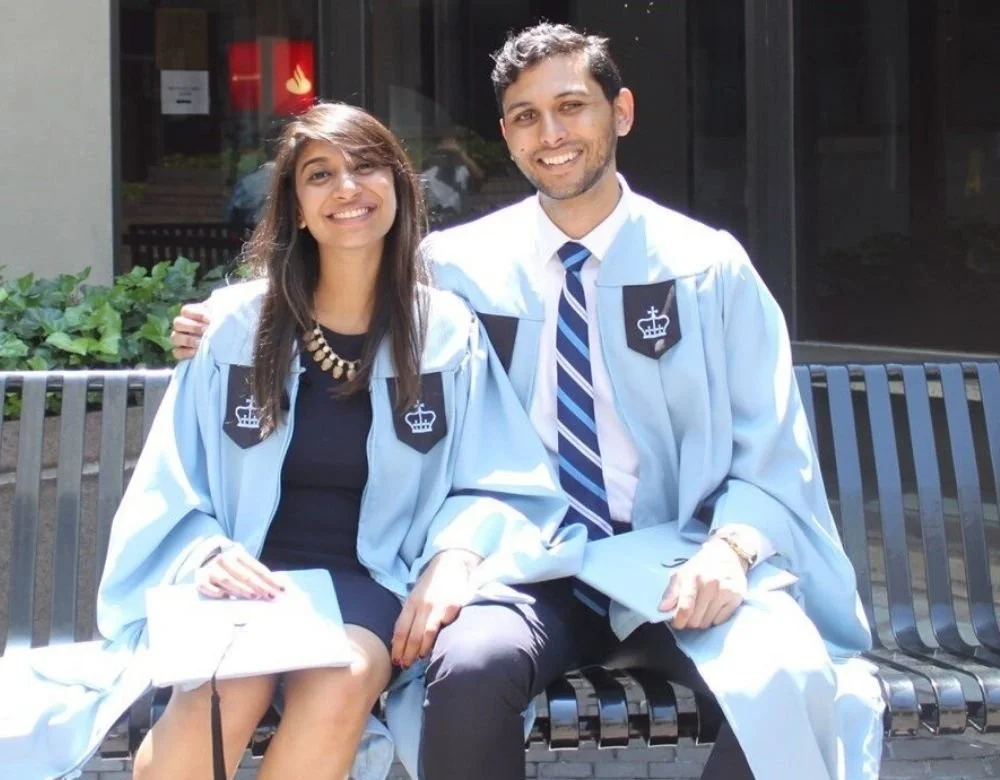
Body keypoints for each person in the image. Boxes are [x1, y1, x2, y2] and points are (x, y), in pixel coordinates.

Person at [170, 24, 884, 780]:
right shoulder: (456, 267)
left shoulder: (707, 267)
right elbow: (343, 279)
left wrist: (731, 550)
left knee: (779, 680)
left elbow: (770, 445)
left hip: (677, 556)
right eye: (525, 117)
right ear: (507, 137)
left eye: (572, 106)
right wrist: (233, 310)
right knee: (470, 669)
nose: (552, 134)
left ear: (623, 113)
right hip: (525, 566)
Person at [0, 102, 585, 780]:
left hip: (366, 578)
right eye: (320, 175)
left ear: (397, 186)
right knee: (226, 685)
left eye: (366, 167)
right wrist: (204, 553)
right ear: (297, 207)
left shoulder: (445, 333)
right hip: (248, 575)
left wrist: (455, 554)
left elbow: (499, 476)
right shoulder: (237, 331)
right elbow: (174, 477)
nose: (347, 189)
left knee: (342, 676)